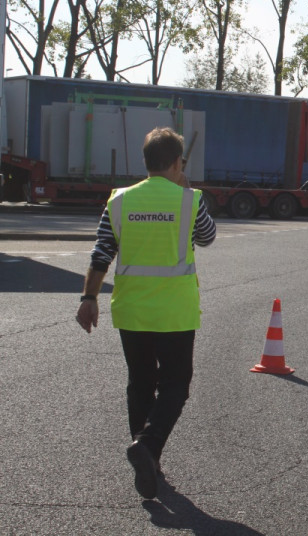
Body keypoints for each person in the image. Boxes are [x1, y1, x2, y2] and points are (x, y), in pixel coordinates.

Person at [75, 127, 217, 499]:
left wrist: (88, 298)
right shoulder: (189, 200)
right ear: (175, 162)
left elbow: (101, 253)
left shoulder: (119, 201)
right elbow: (207, 237)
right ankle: (148, 447)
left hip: (132, 311)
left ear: (147, 162)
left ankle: (148, 457)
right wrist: (186, 192)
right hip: (174, 312)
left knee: (140, 382)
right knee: (175, 384)